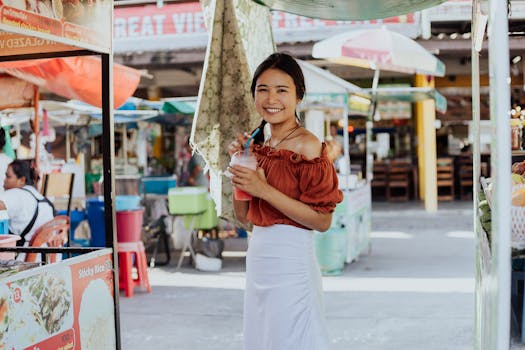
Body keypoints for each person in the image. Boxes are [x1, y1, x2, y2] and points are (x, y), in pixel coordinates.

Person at [228, 52, 343, 350]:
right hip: (259, 257)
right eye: (262, 89)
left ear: (298, 96)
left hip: (291, 262)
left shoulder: (308, 145)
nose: (271, 98)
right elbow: (244, 216)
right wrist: (239, 165)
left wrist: (265, 190)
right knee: (262, 338)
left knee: (292, 338)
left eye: (282, 90)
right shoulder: (258, 146)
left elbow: (322, 221)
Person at [0, 160, 55, 261]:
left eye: (8, 177)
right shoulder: (39, 197)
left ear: (21, 180)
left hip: (27, 262)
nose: (4, 181)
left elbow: (1, 204)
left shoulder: (17, 194)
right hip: (48, 260)